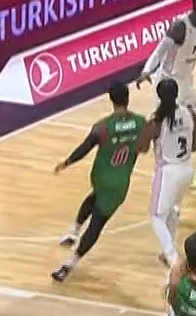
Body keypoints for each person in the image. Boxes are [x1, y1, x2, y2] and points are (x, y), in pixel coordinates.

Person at [52, 82, 146, 282]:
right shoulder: (140, 122)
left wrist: (67, 162)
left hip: (101, 177)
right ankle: (72, 244)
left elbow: (85, 147)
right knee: (96, 218)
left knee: (95, 209)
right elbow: (145, 146)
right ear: (128, 98)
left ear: (111, 99)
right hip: (119, 184)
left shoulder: (103, 126)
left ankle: (69, 259)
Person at [138, 0, 196, 191]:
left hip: (186, 84)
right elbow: (160, 50)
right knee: (168, 127)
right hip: (168, 82)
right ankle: (163, 167)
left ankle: (180, 167)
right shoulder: (180, 26)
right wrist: (146, 71)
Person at [144, 78, 194, 268]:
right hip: (187, 168)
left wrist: (144, 131)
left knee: (157, 216)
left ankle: (173, 259)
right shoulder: (187, 112)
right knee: (172, 210)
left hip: (169, 171)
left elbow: (141, 147)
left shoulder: (157, 120)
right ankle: (170, 251)